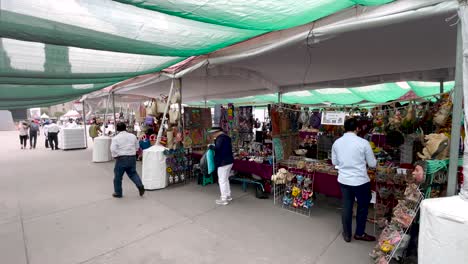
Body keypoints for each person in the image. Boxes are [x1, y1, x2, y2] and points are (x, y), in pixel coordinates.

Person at [332, 118, 377, 243]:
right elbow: (372, 164)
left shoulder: (337, 143)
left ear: (344, 128)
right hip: (360, 181)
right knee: (362, 207)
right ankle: (359, 233)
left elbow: (334, 162)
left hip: (344, 180)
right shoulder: (363, 143)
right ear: (357, 128)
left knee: (347, 206)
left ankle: (347, 234)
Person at [110, 122, 145, 198]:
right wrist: (134, 152)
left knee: (118, 177)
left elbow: (113, 149)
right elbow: (137, 146)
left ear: (117, 129)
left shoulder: (116, 138)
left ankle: (118, 193)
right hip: (132, 157)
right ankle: (140, 185)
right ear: (125, 128)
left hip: (121, 158)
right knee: (133, 173)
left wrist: (115, 156)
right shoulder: (132, 136)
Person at [208, 127, 234, 205]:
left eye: (213, 133)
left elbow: (217, 148)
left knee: (222, 180)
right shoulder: (227, 137)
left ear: (217, 132)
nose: (212, 134)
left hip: (223, 162)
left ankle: (224, 199)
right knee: (226, 179)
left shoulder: (220, 138)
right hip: (229, 161)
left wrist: (210, 146)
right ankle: (228, 195)